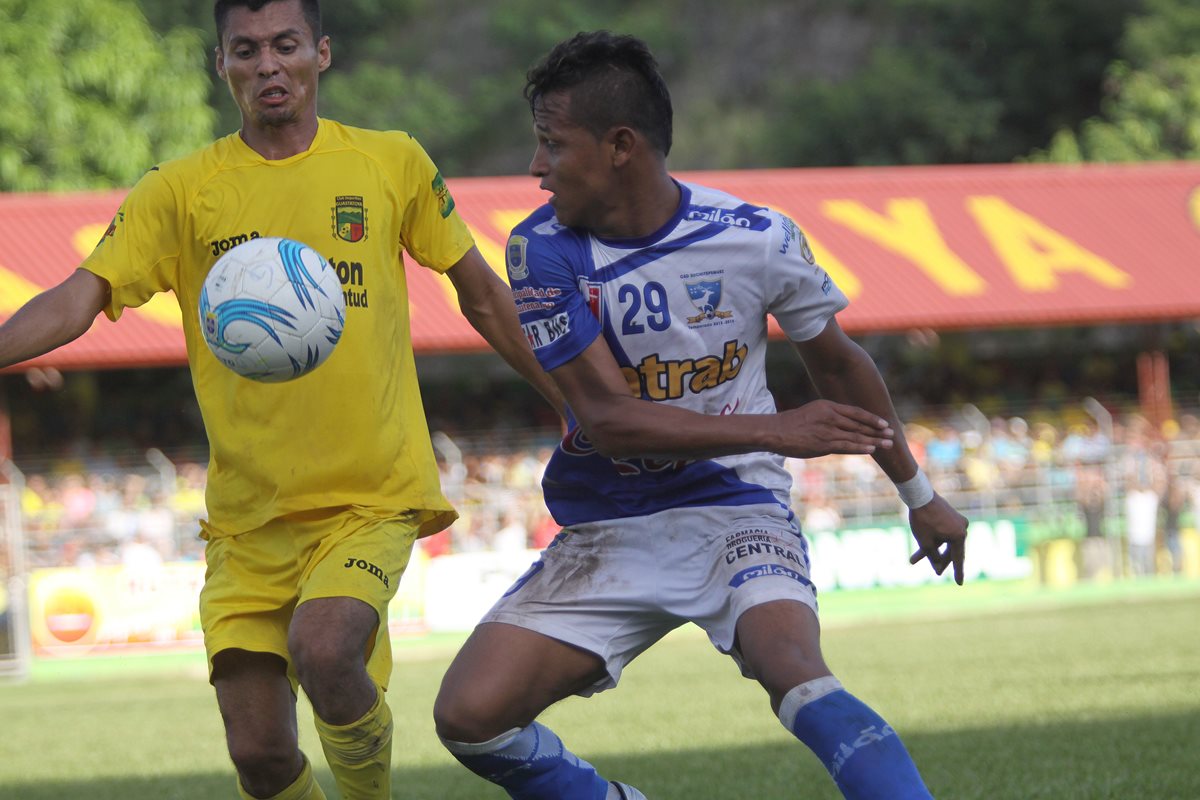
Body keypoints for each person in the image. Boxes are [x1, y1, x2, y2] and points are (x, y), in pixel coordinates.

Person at [0, 1, 566, 798]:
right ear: (221, 65)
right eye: (246, 50)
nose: (268, 64)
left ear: (321, 53)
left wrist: (571, 400)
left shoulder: (390, 162)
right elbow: (77, 297)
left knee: (326, 647)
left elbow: (481, 296)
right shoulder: (181, 191)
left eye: (285, 44)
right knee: (260, 757)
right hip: (247, 522)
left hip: (368, 499)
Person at [432, 31, 970, 800]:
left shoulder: (758, 238)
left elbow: (839, 365)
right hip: (612, 519)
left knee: (794, 669)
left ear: (620, 147)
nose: (535, 166)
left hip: (735, 503)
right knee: (468, 717)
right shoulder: (540, 250)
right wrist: (776, 429)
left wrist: (919, 494)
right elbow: (610, 421)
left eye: (553, 143)